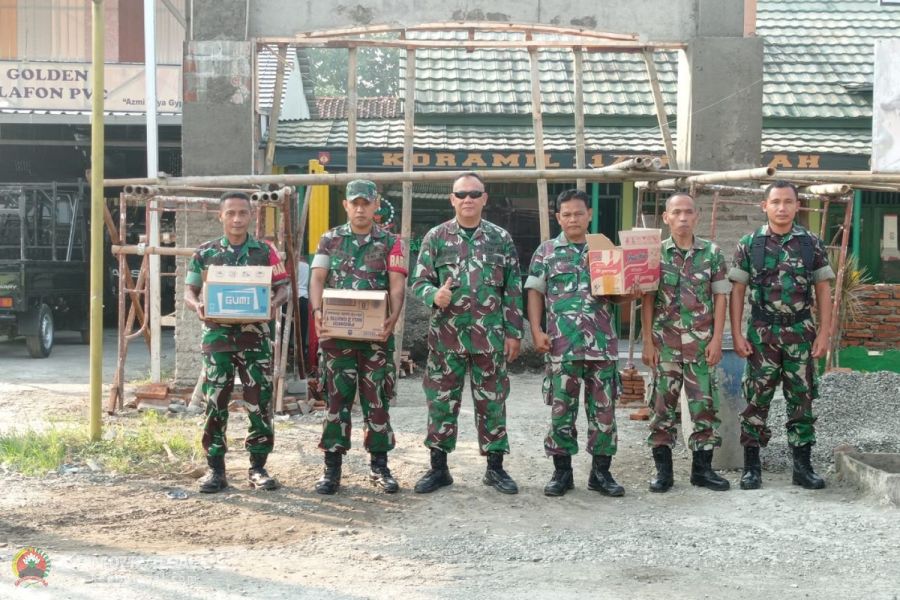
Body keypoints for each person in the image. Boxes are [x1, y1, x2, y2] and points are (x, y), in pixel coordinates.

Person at [411, 172, 524, 495]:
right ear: (452, 199)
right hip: (447, 338)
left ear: (485, 198)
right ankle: (439, 469)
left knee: (492, 402)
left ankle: (495, 468)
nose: (468, 200)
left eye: (475, 194)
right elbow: (419, 282)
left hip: (490, 338)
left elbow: (513, 288)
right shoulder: (436, 237)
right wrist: (434, 295)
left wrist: (514, 333)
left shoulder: (500, 238)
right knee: (441, 402)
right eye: (461, 194)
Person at [526, 189, 638, 497]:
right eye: (566, 214)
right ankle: (562, 474)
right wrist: (536, 329)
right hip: (562, 345)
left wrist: (632, 292)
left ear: (589, 214)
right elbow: (535, 290)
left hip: (601, 345)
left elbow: (617, 295)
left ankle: (601, 474)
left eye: (578, 213)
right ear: (558, 217)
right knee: (562, 410)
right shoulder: (546, 251)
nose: (573, 219)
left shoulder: (605, 249)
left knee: (604, 412)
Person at [728, 180, 834, 490]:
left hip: (801, 332)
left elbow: (824, 290)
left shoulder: (810, 243)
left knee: (801, 399)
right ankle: (752, 468)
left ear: (797, 205)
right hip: (762, 333)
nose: (782, 208)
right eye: (775, 202)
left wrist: (824, 334)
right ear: (765, 206)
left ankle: (802, 467)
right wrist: (736, 334)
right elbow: (737, 291)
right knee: (756, 399)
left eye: (788, 202)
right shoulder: (750, 243)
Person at [184, 191, 290, 493]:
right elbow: (189, 291)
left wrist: (273, 305)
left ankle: (257, 468)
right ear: (221, 216)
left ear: (251, 216)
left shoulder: (266, 252)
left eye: (243, 212)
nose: (237, 218)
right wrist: (198, 307)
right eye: (230, 213)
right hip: (217, 338)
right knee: (215, 402)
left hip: (254, 339)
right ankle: (215, 470)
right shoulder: (204, 252)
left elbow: (284, 287)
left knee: (259, 403)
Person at [309, 179, 407, 495]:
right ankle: (331, 471)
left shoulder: (392, 242)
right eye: (355, 202)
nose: (361, 208)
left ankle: (380, 468)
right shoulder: (329, 240)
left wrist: (394, 314)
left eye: (366, 202)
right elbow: (317, 279)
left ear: (377, 204)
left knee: (376, 401)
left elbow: (396, 283)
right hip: (336, 337)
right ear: (346, 205)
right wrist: (316, 311)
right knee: (336, 402)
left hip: (376, 336)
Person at [641, 192, 731, 493]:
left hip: (701, 345)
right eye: (676, 212)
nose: (682, 217)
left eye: (688, 212)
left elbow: (721, 298)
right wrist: (648, 343)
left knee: (704, 407)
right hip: (664, 345)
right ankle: (663, 473)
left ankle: (702, 471)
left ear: (697, 217)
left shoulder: (712, 254)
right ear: (666, 217)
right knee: (661, 408)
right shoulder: (654, 253)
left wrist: (718, 338)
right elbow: (647, 299)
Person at [296, 255, 310, 357]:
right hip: (304, 297)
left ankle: (287, 351)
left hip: (292, 297)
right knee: (303, 327)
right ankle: (301, 351)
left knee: (288, 328)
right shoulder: (308, 266)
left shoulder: (294, 265)